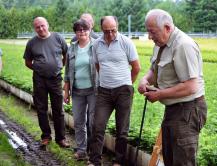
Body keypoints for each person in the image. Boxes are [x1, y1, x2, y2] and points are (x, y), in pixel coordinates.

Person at [138, 9, 207, 166]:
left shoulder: (183, 45)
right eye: (148, 32)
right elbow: (153, 68)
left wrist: (160, 94)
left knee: (182, 161)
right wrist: (144, 79)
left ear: (167, 28)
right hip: (173, 110)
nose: (149, 37)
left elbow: (191, 87)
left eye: (152, 32)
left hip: (187, 110)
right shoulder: (160, 42)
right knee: (169, 157)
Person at [88, 16, 141, 166]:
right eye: (106, 31)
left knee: (122, 129)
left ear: (117, 27)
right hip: (104, 91)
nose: (110, 34)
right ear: (101, 29)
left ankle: (119, 161)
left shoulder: (126, 43)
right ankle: (94, 160)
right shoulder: (97, 45)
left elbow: (136, 68)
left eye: (113, 30)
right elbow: (98, 66)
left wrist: (126, 84)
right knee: (97, 125)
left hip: (123, 91)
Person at [23, 17, 69, 148]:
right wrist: (38, 69)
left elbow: (66, 54)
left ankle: (61, 138)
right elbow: (27, 62)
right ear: (35, 28)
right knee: (41, 108)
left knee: (58, 109)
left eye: (42, 25)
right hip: (39, 80)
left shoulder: (58, 38)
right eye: (37, 27)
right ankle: (46, 136)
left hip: (55, 79)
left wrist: (60, 66)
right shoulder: (32, 43)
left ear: (47, 25)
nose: (41, 29)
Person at [64, 19, 97, 160]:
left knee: (93, 122)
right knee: (78, 122)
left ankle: (93, 151)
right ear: (75, 33)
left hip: (94, 90)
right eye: (78, 30)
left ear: (89, 30)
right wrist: (66, 92)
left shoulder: (96, 46)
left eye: (84, 29)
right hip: (77, 91)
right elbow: (66, 73)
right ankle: (81, 150)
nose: (82, 32)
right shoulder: (71, 48)